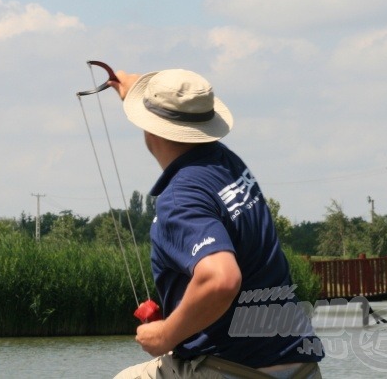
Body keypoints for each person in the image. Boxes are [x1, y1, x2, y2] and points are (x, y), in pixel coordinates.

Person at [109, 68, 323, 379]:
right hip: (300, 366)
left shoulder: (180, 198)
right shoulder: (227, 164)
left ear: (149, 127)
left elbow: (220, 279)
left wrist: (165, 334)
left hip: (231, 370)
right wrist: (132, 90)